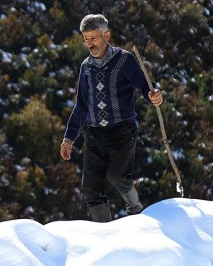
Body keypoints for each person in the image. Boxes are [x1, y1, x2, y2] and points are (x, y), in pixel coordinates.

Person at [60, 14, 164, 222]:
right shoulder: (86, 67)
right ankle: (105, 232)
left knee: (117, 177)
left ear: (106, 35)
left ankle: (136, 212)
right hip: (95, 134)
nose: (89, 44)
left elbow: (146, 86)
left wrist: (154, 95)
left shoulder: (125, 60)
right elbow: (81, 105)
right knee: (90, 189)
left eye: (93, 38)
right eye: (86, 39)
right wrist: (69, 138)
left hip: (122, 130)